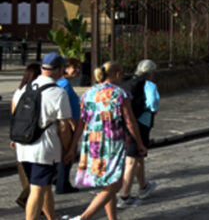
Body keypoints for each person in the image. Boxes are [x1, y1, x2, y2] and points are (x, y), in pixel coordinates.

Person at [64, 61, 145, 220]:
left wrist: (73, 147)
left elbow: (81, 123)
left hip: (93, 142)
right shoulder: (120, 93)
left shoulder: (89, 93)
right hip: (111, 142)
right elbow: (130, 121)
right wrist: (139, 143)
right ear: (116, 74)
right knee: (114, 184)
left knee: (108, 182)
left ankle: (112, 218)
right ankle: (84, 217)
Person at [12, 53, 73, 220]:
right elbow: (64, 127)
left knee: (43, 186)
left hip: (23, 146)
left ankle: (52, 217)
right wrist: (67, 150)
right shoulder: (58, 93)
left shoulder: (26, 88)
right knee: (37, 189)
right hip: (44, 149)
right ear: (59, 70)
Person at [118, 60, 159, 209]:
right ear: (150, 73)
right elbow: (153, 102)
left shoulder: (128, 82)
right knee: (132, 160)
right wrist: (152, 109)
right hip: (140, 123)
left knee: (139, 155)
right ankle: (125, 196)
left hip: (125, 123)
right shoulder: (148, 85)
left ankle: (143, 186)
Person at [11, 63, 41, 211]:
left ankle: (32, 201)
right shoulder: (35, 92)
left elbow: (13, 115)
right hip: (32, 134)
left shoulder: (18, 92)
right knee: (36, 177)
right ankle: (29, 201)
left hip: (18, 134)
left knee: (24, 172)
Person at [54, 59, 81, 195]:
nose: (77, 71)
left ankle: (61, 181)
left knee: (66, 153)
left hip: (68, 121)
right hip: (68, 123)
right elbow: (63, 106)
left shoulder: (64, 83)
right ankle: (62, 183)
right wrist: (73, 124)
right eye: (73, 68)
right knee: (68, 152)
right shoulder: (64, 84)